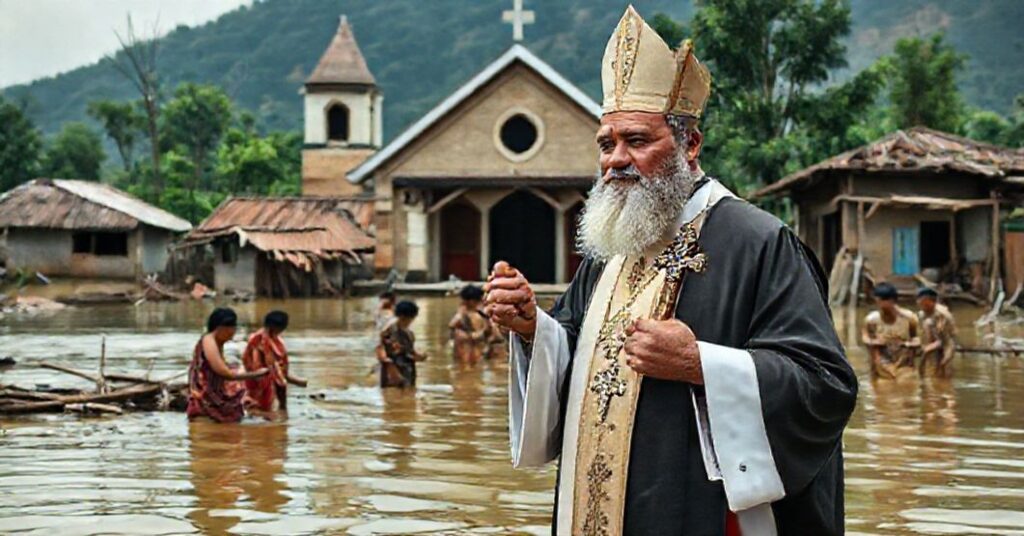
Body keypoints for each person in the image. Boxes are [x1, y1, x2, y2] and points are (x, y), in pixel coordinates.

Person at [484, 7, 857, 535]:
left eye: (637, 141)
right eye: (606, 144)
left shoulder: (758, 242)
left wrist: (701, 363)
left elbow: (825, 386)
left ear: (691, 144)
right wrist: (531, 329)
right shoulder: (609, 247)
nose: (616, 159)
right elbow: (576, 357)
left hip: (699, 509)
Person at [187, 308, 269, 423]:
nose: (233, 333)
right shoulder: (208, 340)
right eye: (232, 328)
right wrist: (255, 374)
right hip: (204, 397)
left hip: (212, 392)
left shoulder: (216, 342)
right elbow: (224, 372)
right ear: (222, 328)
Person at [242, 310, 307, 412]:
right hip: (260, 375)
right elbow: (253, 360)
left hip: (270, 374)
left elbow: (280, 360)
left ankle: (279, 414)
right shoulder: (259, 339)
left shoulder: (275, 338)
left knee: (269, 404)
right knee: (258, 404)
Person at [862, 282, 921, 380]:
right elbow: (865, 337)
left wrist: (907, 344)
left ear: (893, 301)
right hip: (881, 368)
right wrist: (874, 342)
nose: (880, 305)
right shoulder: (871, 319)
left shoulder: (909, 318)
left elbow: (918, 339)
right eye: (878, 302)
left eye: (883, 302)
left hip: (905, 367)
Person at [379, 300, 427, 388]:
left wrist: (420, 357)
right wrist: (391, 369)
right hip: (393, 372)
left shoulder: (409, 333)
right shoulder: (388, 331)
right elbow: (381, 351)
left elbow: (410, 352)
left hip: (408, 371)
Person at [917, 287, 956, 378]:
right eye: (919, 301)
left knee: (941, 373)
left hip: (946, 344)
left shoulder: (941, 315)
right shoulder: (922, 314)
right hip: (930, 344)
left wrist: (944, 361)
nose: (919, 303)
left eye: (922, 302)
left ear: (931, 302)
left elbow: (946, 341)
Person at [449, 285, 490, 365]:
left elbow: (452, 325)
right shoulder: (466, 314)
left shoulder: (476, 315)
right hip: (469, 350)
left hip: (471, 351)